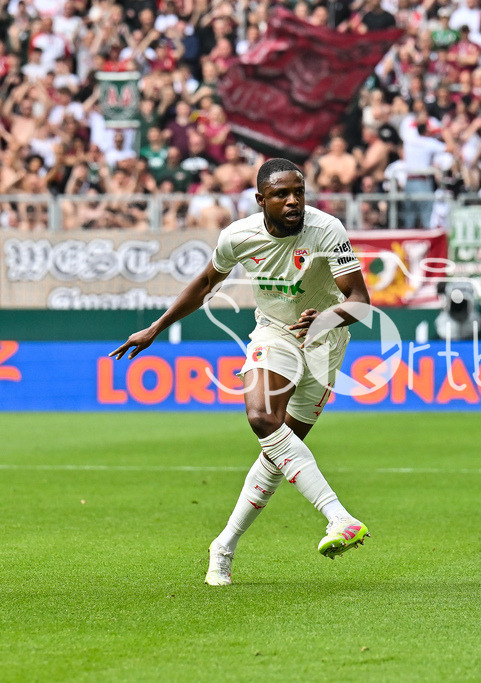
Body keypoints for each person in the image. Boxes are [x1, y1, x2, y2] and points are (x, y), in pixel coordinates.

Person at [110, 158, 372, 586]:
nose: (293, 201)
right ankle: (338, 516)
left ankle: (223, 546)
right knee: (262, 417)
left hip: (326, 342)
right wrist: (156, 327)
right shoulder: (238, 237)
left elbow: (359, 301)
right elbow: (205, 283)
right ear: (260, 200)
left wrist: (326, 319)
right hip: (275, 333)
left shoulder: (327, 230)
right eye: (282, 194)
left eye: (299, 192)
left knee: (276, 456)